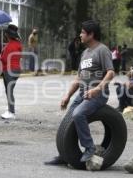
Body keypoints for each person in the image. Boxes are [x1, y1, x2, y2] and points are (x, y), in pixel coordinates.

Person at [45, 20, 115, 165]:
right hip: (82, 94)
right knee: (68, 119)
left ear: (91, 34)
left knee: (78, 113)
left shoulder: (102, 50)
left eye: (83, 32)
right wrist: (67, 95)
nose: (80, 35)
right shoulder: (84, 53)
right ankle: (65, 154)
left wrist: (97, 89)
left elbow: (110, 73)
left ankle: (89, 148)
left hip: (98, 95)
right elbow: (79, 77)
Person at [0, 24, 22, 119]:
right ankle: (10, 109)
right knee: (10, 91)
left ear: (7, 35)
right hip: (17, 70)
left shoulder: (9, 46)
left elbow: (4, 59)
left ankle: (11, 112)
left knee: (9, 91)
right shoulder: (18, 44)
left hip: (9, 70)